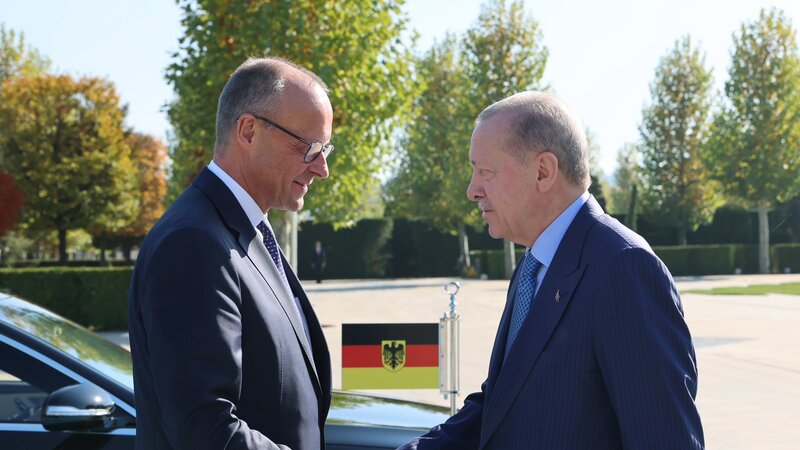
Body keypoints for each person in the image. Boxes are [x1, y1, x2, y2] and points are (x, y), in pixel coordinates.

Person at [400, 92, 704, 449]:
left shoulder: (623, 267)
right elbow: (501, 402)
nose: (472, 190)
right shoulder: (533, 266)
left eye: (485, 172)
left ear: (543, 171)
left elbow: (665, 440)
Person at [128, 57, 333, 450]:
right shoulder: (192, 243)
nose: (321, 168)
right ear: (249, 131)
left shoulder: (242, 230)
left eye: (325, 148)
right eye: (308, 147)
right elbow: (205, 428)